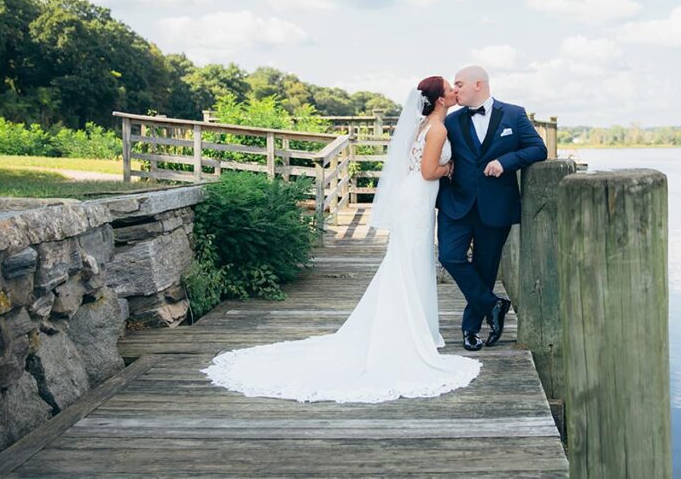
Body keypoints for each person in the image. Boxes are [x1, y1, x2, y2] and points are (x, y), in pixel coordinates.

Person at [202, 76, 482, 403]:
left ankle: (415, 326)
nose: (453, 91)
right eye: (449, 88)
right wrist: (449, 168)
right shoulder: (438, 129)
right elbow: (426, 171)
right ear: (438, 100)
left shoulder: (422, 127)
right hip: (418, 199)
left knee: (407, 261)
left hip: (413, 199)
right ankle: (412, 332)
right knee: (411, 260)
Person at [436, 66, 547, 350]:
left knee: (486, 268)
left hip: (496, 205)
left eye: (459, 84)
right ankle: (493, 304)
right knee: (450, 256)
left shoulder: (514, 114)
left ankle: (470, 329)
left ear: (478, 84)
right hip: (456, 203)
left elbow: (538, 149)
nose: (455, 89)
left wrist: (505, 162)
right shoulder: (451, 121)